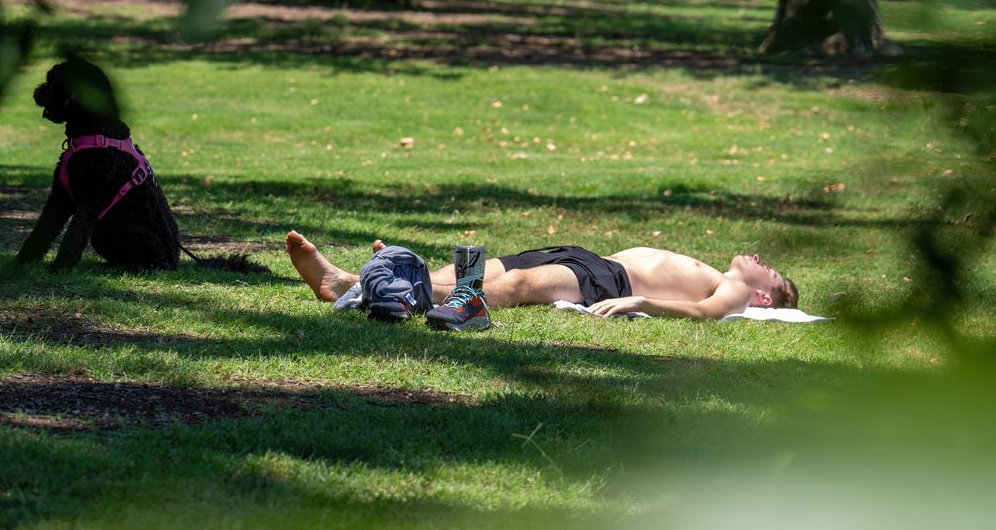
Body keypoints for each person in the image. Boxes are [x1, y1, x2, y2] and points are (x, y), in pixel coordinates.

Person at [284, 231, 799, 327]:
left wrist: (641, 301)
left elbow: (705, 313)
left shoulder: (734, 293)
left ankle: (408, 288)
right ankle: (349, 282)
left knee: (522, 285)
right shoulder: (722, 274)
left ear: (763, 296)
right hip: (588, 258)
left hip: (607, 279)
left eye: (770, 271)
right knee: (487, 268)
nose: (760, 258)